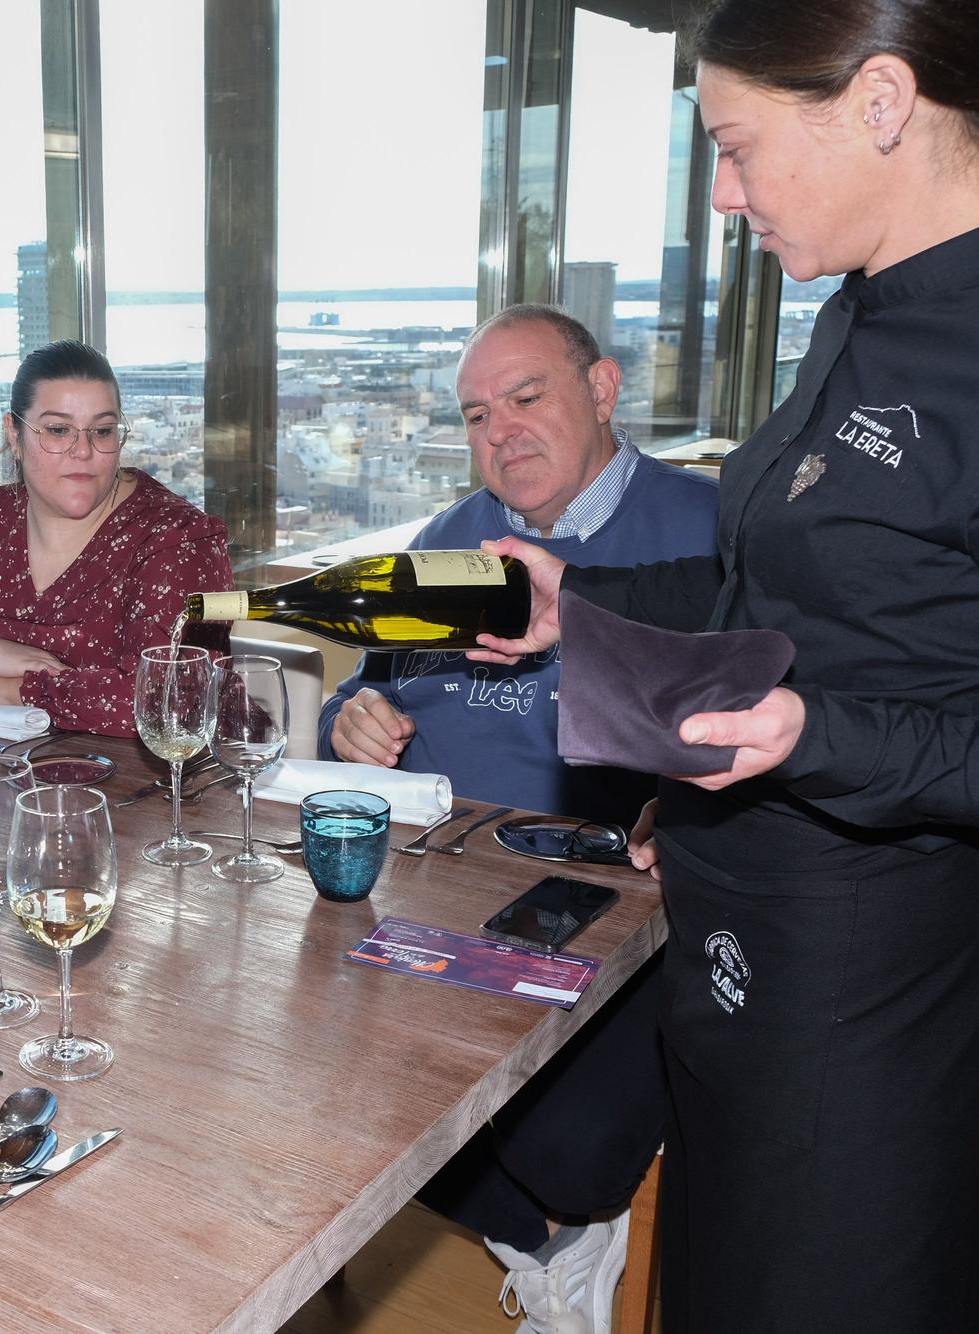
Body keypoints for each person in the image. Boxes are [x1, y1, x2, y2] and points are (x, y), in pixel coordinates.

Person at [475, 2, 979, 1327]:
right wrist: (577, 598)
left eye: (737, 145)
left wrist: (816, 735)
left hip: (875, 1003)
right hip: (734, 960)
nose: (722, 193)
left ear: (882, 102)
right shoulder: (857, 312)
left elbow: (875, 704)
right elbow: (772, 584)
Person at [319, 307, 718, 1334]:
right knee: (302, 1078)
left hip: (616, 903)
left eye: (526, 397)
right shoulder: (450, 539)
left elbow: (775, 719)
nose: (501, 431)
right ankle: (545, 1246)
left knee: (569, 1151)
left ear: (602, 387)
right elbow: (361, 689)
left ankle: (561, 1222)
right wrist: (349, 718)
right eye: (476, 415)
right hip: (435, 886)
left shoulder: (707, 531)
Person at [0, 339, 233, 737]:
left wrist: (21, 692)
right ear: (14, 433)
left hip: (179, 792)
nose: (82, 451)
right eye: (57, 430)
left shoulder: (177, 541)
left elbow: (179, 698)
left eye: (102, 431)